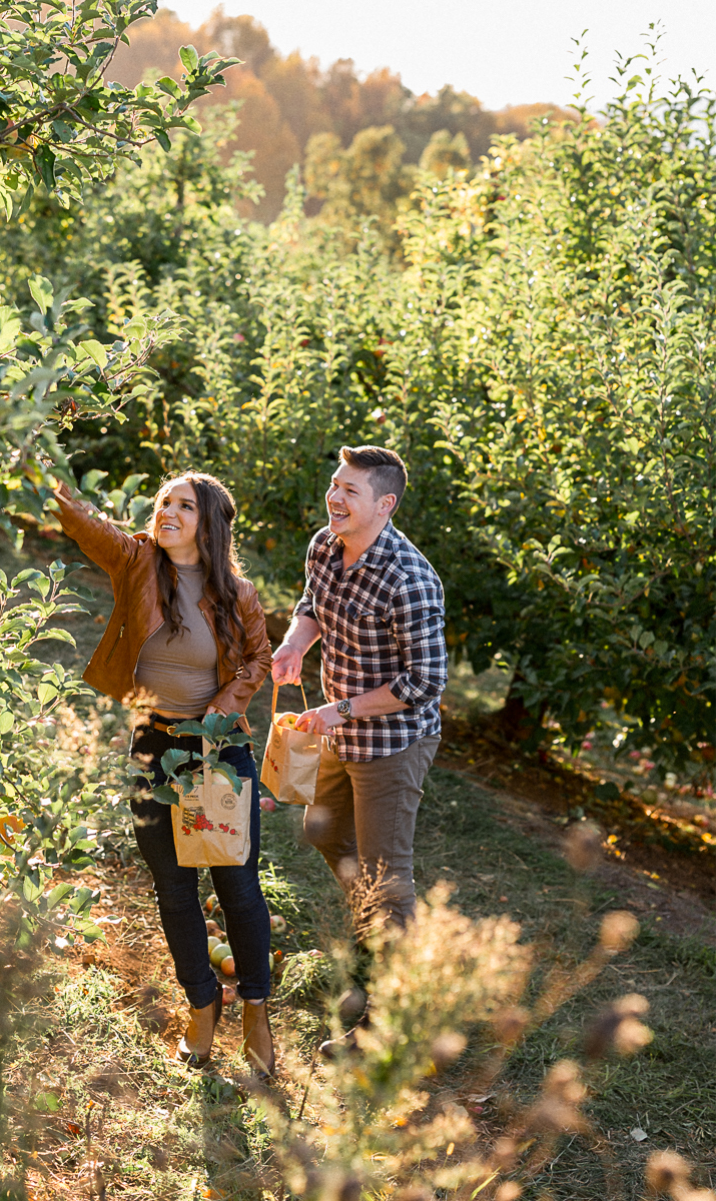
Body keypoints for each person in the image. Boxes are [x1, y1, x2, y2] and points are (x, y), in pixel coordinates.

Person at [51, 471, 276, 1075]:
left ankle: (255, 1007)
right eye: (163, 503)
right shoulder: (138, 563)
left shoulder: (238, 594)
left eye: (183, 505)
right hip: (154, 746)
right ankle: (203, 1002)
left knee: (236, 887)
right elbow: (85, 526)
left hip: (216, 750)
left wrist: (224, 708)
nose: (168, 512)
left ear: (210, 522)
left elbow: (258, 657)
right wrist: (43, 474)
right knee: (173, 889)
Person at [270, 445, 446, 1052]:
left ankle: (387, 1023)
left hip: (392, 743)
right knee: (323, 833)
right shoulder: (326, 544)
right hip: (338, 730)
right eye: (335, 485)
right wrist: (295, 644)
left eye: (351, 491)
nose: (336, 497)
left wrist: (337, 709)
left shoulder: (410, 578)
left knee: (386, 876)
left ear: (385, 504)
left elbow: (424, 682)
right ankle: (387, 935)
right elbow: (310, 607)